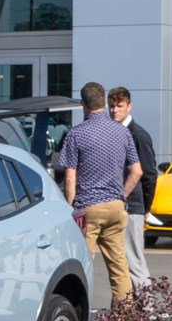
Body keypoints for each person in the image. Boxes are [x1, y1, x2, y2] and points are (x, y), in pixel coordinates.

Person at [52, 81, 144, 305]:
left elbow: (70, 177)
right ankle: (125, 320)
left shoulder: (76, 134)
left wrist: (71, 208)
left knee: (81, 264)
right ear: (103, 102)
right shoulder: (122, 132)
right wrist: (120, 195)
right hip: (115, 206)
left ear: (84, 105)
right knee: (119, 265)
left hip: (88, 208)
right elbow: (137, 171)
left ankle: (77, 313)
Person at [109, 87, 158, 287]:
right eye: (111, 106)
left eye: (119, 106)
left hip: (133, 205)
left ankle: (147, 308)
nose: (114, 110)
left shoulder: (138, 134)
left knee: (134, 261)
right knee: (122, 262)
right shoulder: (114, 132)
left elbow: (149, 174)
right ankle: (129, 307)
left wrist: (146, 207)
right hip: (118, 204)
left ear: (129, 107)